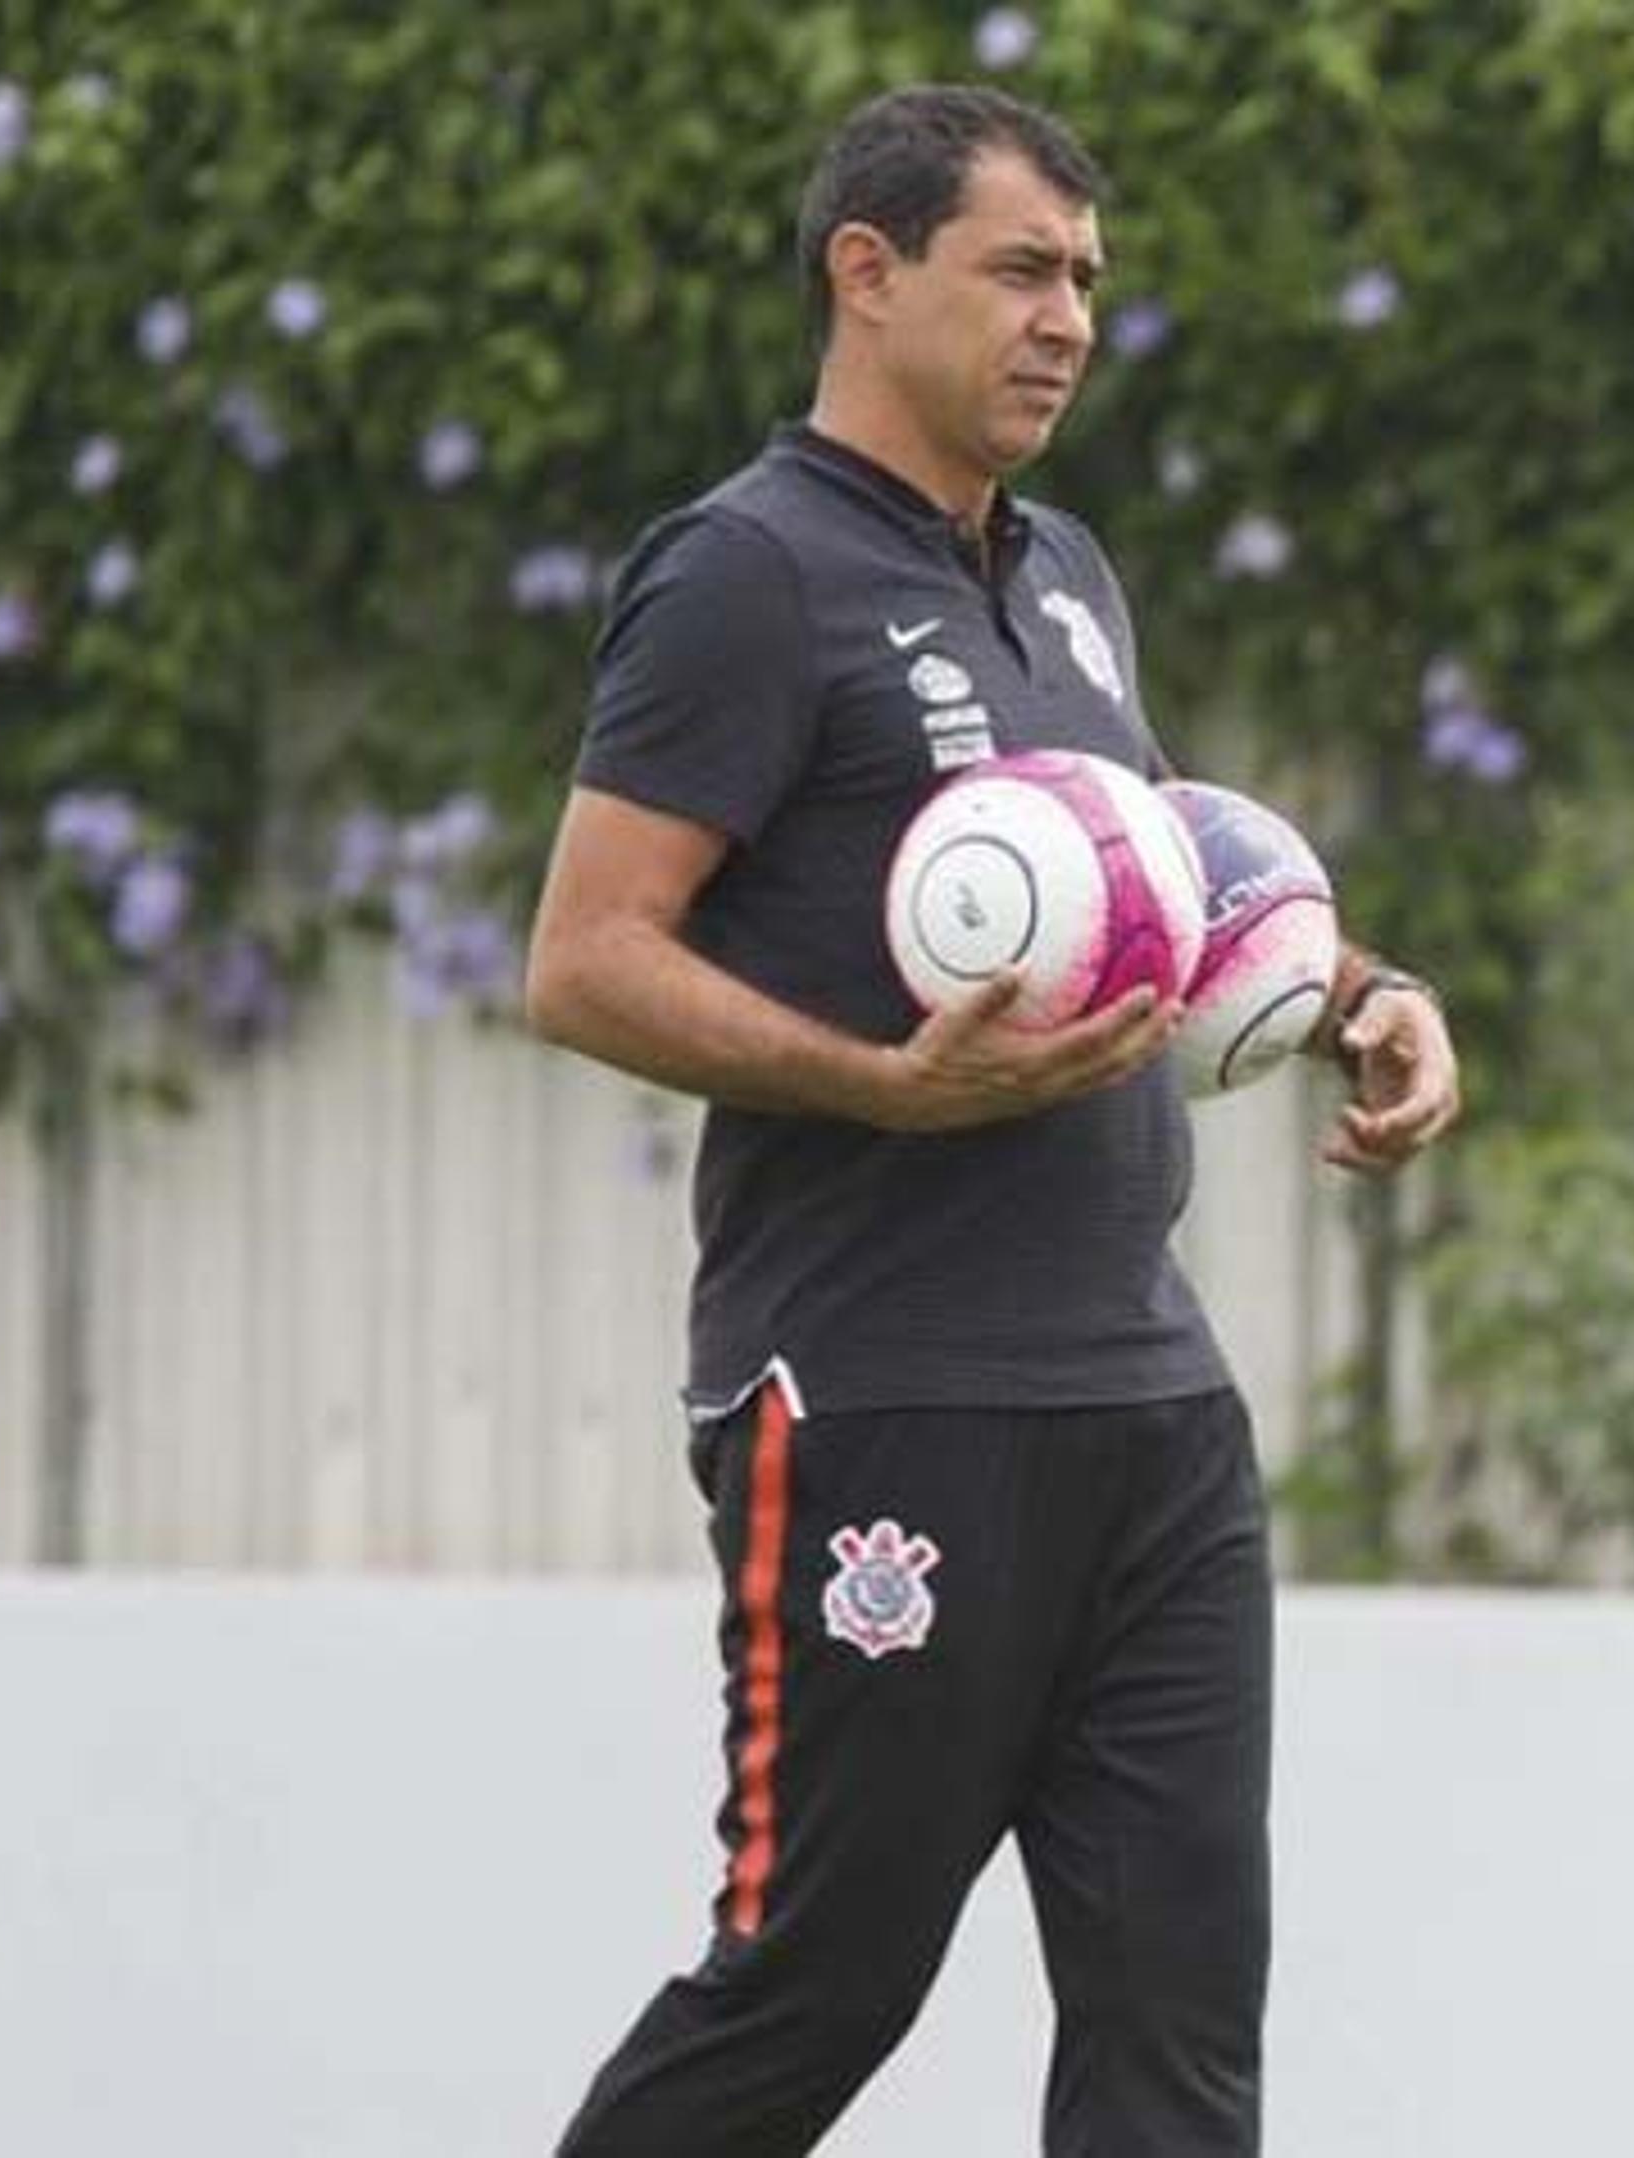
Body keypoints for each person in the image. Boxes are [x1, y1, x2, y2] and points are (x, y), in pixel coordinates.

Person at [520, 83, 1459, 2157]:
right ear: (869, 271)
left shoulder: (1068, 576)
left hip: (1146, 1404)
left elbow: (1169, 892)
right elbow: (585, 957)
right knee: (816, 1984)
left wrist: (1365, 996)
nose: (1070, 322)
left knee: (1180, 2026)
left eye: (1090, 284)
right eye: (1024, 270)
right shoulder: (743, 575)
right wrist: (880, 1084)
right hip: (882, 1393)